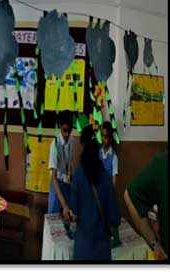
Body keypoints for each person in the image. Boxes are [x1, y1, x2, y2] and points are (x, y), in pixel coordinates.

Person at [70, 126, 120, 261]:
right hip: (102, 250)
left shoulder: (78, 175)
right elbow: (114, 219)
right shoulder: (106, 176)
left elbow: (74, 215)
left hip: (83, 248)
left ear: (82, 146)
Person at [124, 151, 169, 260]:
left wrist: (154, 245)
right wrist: (155, 245)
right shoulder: (162, 164)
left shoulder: (162, 163)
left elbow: (129, 195)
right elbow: (130, 195)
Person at [48, 111, 75, 217]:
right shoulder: (54, 145)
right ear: (59, 126)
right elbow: (54, 178)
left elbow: (70, 164)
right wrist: (64, 205)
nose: (67, 134)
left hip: (67, 183)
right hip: (56, 185)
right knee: (53, 217)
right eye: (64, 130)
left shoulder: (72, 141)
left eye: (69, 130)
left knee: (68, 217)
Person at [99, 122, 119, 186]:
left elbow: (114, 182)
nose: (103, 139)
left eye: (106, 137)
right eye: (102, 135)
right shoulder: (97, 154)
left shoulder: (114, 157)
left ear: (110, 138)